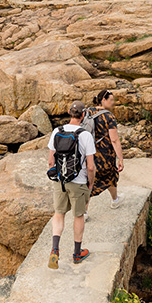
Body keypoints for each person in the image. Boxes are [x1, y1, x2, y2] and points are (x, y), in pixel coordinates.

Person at [47, 101, 96, 267]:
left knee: (59, 214)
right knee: (78, 215)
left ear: (69, 112)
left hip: (60, 180)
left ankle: (55, 250)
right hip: (78, 181)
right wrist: (91, 183)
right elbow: (90, 166)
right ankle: (76, 253)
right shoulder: (85, 135)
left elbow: (50, 160)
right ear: (83, 115)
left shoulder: (57, 131)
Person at [87, 90, 124, 209]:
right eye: (111, 100)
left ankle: (85, 211)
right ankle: (115, 200)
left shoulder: (87, 112)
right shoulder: (109, 116)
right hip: (104, 155)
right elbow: (114, 140)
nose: (113, 103)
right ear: (103, 100)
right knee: (109, 177)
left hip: (88, 153)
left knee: (88, 181)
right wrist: (121, 159)